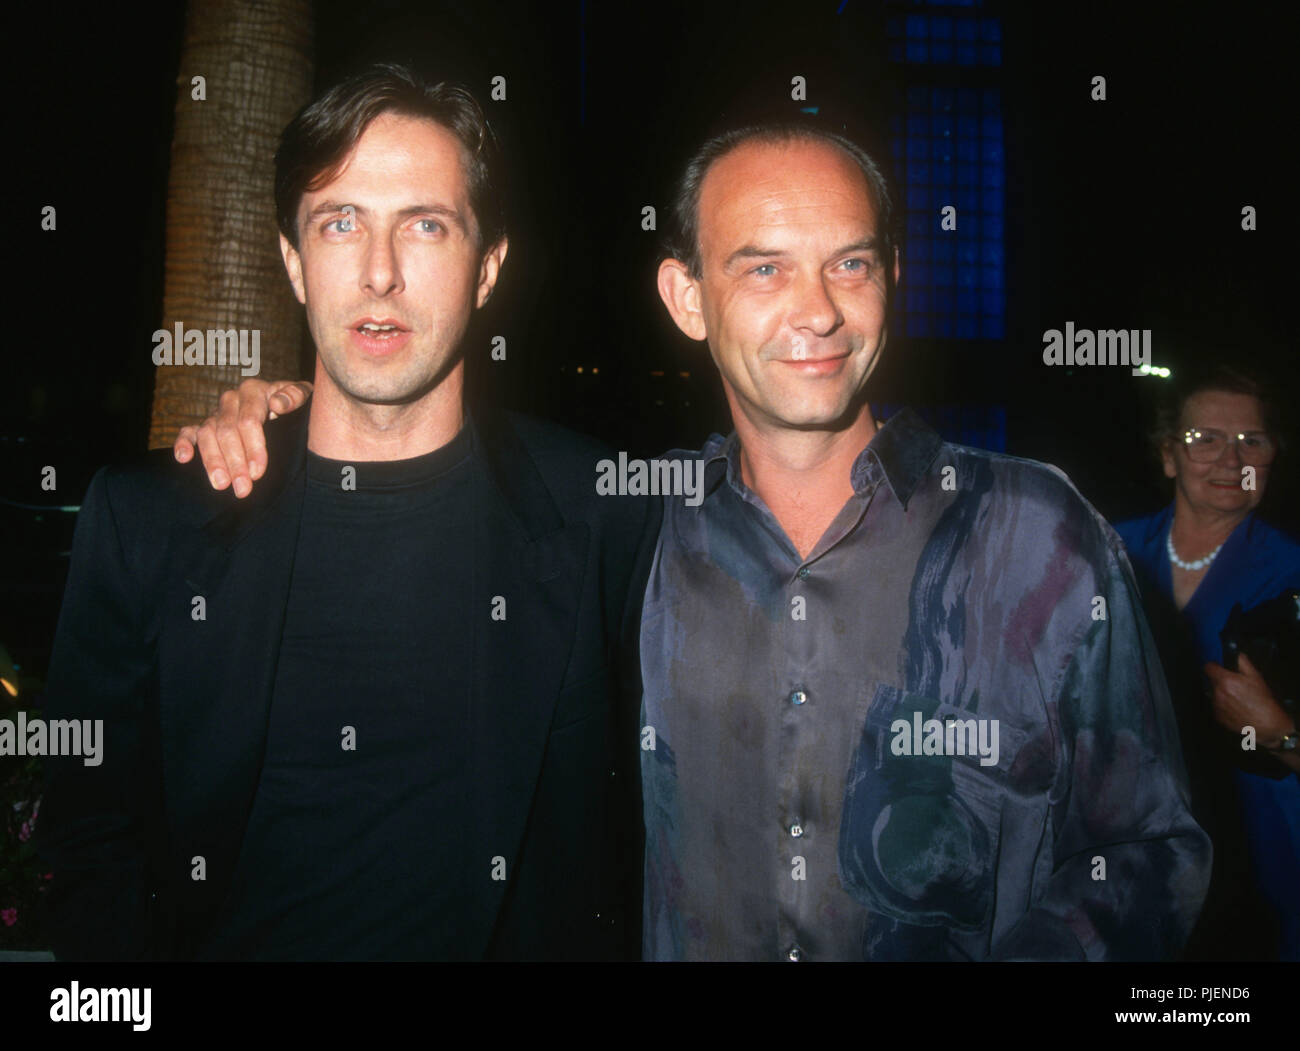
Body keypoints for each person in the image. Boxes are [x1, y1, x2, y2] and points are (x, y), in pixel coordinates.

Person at [178, 118, 1211, 961]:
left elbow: (1150, 847)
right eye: (762, 269)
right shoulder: (627, 534)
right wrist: (274, 419)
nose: (816, 310)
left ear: (889, 280)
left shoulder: (1037, 534)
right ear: (686, 297)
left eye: (847, 263)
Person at [37, 64, 657, 961]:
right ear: (293, 260)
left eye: (426, 226)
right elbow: (87, 853)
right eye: (340, 224)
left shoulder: (606, 513)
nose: (379, 274)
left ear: (488, 269)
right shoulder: (147, 521)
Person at [1114, 368, 1300, 960]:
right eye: (1205, 439)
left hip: (1263, 866)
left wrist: (1279, 734)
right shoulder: (1105, 552)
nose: (1231, 459)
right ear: (1169, 456)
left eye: (1253, 441)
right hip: (1127, 857)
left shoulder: (1293, 576)